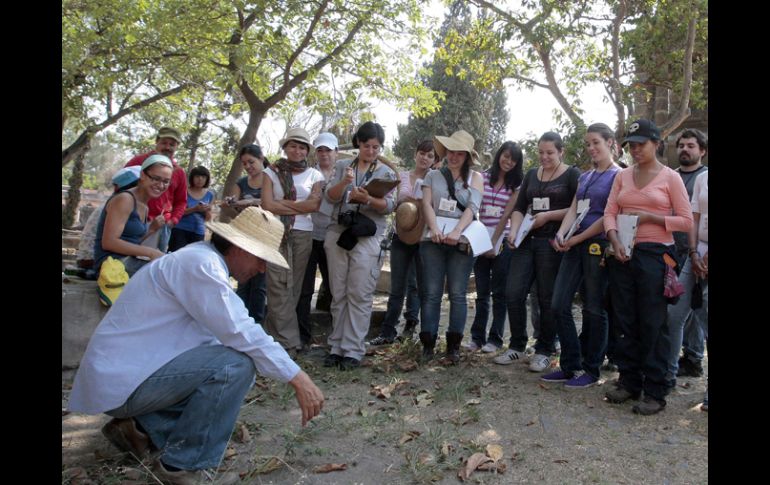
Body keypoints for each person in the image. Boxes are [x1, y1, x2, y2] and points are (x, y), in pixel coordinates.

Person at [69, 207, 324, 485]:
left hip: (131, 374)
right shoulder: (201, 265)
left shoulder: (201, 259)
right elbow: (240, 331)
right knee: (234, 366)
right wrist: (298, 378)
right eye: (261, 259)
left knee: (233, 365)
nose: (262, 268)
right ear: (239, 248)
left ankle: (141, 428)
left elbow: (223, 335)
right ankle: (182, 467)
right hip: (126, 379)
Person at [603, 118, 693, 415]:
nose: (636, 150)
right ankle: (630, 381)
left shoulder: (670, 178)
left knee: (653, 321)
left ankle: (656, 389)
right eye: (631, 145)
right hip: (623, 252)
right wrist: (614, 239)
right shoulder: (623, 176)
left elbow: (685, 220)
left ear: (657, 143)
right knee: (625, 318)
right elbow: (610, 212)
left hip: (656, 255)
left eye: (642, 144)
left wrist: (651, 218)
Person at [541, 123, 622, 388]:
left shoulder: (619, 176)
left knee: (594, 309)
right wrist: (562, 235)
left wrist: (576, 238)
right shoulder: (585, 177)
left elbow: (609, 216)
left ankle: (592, 368)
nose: (591, 148)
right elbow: (575, 208)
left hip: (597, 246)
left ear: (610, 143)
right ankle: (570, 364)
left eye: (596, 142)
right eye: (587, 144)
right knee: (558, 304)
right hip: (573, 247)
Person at [495, 132, 580, 372]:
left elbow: (579, 209)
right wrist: (513, 231)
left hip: (552, 243)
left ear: (561, 152)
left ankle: (545, 349)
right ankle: (517, 345)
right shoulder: (532, 174)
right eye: (541, 152)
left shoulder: (572, 174)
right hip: (525, 241)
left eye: (550, 153)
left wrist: (549, 216)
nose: (544, 157)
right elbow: (520, 207)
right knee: (513, 292)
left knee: (546, 298)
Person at [322, 121, 397, 369]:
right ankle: (336, 345)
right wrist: (345, 183)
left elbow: (389, 206)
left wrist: (369, 199)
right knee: (339, 292)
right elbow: (329, 197)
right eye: (367, 146)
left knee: (360, 293)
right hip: (339, 233)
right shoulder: (343, 166)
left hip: (367, 236)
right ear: (358, 143)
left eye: (376, 147)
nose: (372, 151)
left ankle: (353, 348)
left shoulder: (385, 172)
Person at [418, 130, 484, 363]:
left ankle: (453, 345)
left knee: (457, 294)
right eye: (450, 151)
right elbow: (426, 204)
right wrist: (434, 228)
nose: (454, 157)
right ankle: (427, 343)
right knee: (432, 294)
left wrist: (457, 232)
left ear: (467, 156)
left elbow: (472, 208)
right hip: (433, 239)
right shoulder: (432, 176)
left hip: (462, 240)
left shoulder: (475, 178)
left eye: (459, 153)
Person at [261, 128, 325, 354]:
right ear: (285, 147)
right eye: (293, 146)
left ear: (307, 151)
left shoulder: (315, 176)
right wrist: (299, 206)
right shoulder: (271, 172)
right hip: (275, 231)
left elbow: (313, 206)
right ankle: (288, 341)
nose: (297, 150)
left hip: (303, 234)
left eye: (301, 147)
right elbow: (267, 205)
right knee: (276, 284)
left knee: (294, 286)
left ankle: (274, 336)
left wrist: (284, 206)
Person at [367, 139, 436, 346]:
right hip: (401, 236)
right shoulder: (402, 177)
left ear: (434, 160)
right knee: (397, 286)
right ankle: (388, 331)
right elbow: (390, 202)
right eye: (422, 153)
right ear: (415, 154)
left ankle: (411, 326)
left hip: (423, 239)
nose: (425, 158)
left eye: (430, 155)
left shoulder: (435, 180)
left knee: (416, 286)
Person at [465, 141, 523, 353]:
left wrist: (494, 243)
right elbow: (474, 208)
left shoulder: (516, 185)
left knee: (499, 293)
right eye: (506, 156)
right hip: (479, 238)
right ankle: (476, 337)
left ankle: (495, 339)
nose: (508, 162)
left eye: (513, 159)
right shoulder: (482, 177)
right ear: (500, 155)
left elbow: (507, 214)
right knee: (481, 293)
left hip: (502, 240)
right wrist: (480, 240)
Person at [668, 129, 709, 379]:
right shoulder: (670, 176)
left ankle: (693, 357)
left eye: (691, 145)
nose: (685, 149)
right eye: (681, 145)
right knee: (678, 310)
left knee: (698, 311)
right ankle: (671, 370)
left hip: (697, 251)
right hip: (677, 251)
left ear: (702, 150)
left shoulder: (703, 176)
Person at [93, 155, 173, 276]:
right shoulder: (125, 199)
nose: (161, 185)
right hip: (112, 265)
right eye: (156, 179)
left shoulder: (144, 205)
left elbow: (132, 241)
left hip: (127, 260)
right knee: (169, 273)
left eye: (165, 181)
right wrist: (151, 252)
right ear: (143, 175)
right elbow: (109, 242)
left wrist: (151, 229)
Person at [297, 132, 338, 348]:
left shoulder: (342, 175)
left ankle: (334, 336)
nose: (324, 154)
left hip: (333, 236)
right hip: (308, 235)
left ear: (336, 152)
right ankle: (302, 335)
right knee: (305, 288)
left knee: (334, 287)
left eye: (328, 150)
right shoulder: (309, 175)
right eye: (320, 150)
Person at [224, 144, 269, 323]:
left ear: (261, 158)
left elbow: (273, 204)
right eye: (245, 163)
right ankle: (239, 320)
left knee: (260, 283)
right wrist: (233, 204)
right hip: (245, 236)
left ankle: (256, 322)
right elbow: (237, 211)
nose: (248, 166)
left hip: (266, 235)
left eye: (251, 162)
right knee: (243, 281)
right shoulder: (241, 183)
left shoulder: (271, 179)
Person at [124, 127, 188, 253]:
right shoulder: (138, 162)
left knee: (151, 264)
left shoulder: (179, 172)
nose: (168, 147)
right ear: (157, 142)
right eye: (164, 143)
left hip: (161, 224)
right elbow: (120, 186)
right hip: (132, 221)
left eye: (172, 144)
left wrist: (172, 221)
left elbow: (181, 201)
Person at [76, 166, 142, 277]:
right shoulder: (121, 204)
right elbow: (112, 243)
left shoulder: (118, 202)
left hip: (89, 258)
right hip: (94, 260)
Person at [168, 165, 215, 252]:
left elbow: (208, 219)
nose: (200, 179)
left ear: (207, 179)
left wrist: (207, 211)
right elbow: (175, 212)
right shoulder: (184, 191)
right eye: (197, 176)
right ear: (192, 178)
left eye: (203, 177)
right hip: (180, 229)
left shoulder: (210, 194)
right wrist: (194, 209)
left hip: (198, 232)